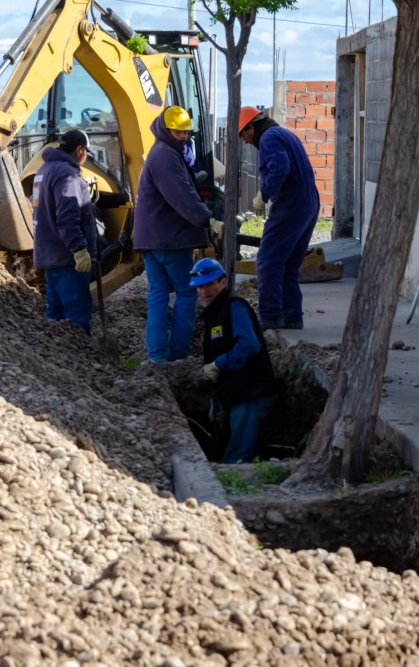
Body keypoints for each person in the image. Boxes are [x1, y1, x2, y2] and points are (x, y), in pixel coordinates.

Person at [133, 105, 222, 362]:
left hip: (152, 238)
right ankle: (177, 356)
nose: (183, 137)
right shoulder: (165, 156)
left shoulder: (163, 152)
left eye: (186, 132)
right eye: (178, 132)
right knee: (185, 292)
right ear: (166, 129)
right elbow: (181, 195)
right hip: (169, 240)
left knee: (158, 295)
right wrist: (208, 220)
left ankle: (157, 357)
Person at [238, 105, 320, 331]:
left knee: (268, 261)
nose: (244, 140)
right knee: (290, 265)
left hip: (291, 202)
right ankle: (292, 317)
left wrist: (264, 194)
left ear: (251, 127)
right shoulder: (285, 134)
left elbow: (280, 168)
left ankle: (271, 317)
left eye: (243, 134)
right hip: (309, 201)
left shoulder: (269, 138)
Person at [190, 257, 277, 464]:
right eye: (199, 287)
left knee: (236, 458)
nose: (203, 291)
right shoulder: (213, 314)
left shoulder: (234, 307)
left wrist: (219, 364)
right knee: (231, 448)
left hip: (251, 394)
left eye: (209, 284)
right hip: (236, 394)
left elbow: (249, 345)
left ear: (223, 282)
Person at [31, 128, 98, 335]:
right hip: (67, 258)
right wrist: (79, 249)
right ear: (79, 150)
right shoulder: (67, 175)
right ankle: (81, 362)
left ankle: (56, 363)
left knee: (55, 315)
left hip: (49, 254)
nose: (86, 156)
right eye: (86, 151)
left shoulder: (44, 170)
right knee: (77, 315)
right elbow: (68, 218)